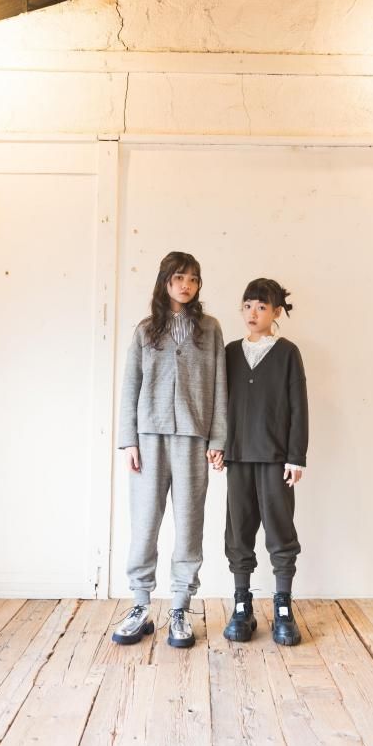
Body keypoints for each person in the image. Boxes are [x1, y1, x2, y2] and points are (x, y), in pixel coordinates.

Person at [113, 251, 226, 649]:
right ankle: (140, 605)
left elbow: (220, 386)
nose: (186, 285)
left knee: (189, 524)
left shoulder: (210, 329)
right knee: (145, 522)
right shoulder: (146, 330)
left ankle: (180, 607)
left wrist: (218, 439)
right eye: (179, 277)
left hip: (194, 438)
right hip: (149, 439)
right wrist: (128, 440)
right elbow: (130, 385)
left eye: (193, 278)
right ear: (165, 282)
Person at [223, 278, 308, 646]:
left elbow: (298, 406)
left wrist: (296, 457)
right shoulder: (229, 352)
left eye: (261, 306)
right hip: (238, 456)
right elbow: (219, 403)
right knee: (238, 530)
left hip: (275, 458)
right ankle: (242, 605)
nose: (253, 313)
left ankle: (283, 605)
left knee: (280, 529)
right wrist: (217, 445)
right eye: (247, 306)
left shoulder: (287, 353)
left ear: (276, 312)